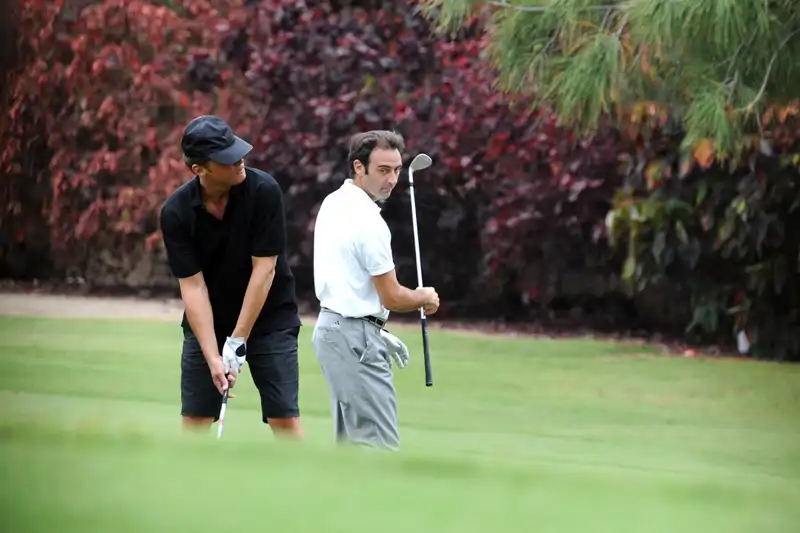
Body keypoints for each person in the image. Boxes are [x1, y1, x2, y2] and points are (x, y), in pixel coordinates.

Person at [159, 115, 303, 438]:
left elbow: (264, 271)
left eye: (237, 151)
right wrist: (213, 356)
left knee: (284, 418)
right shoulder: (176, 213)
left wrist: (237, 342)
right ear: (200, 169)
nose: (240, 160)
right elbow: (193, 288)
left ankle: (307, 487)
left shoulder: (264, 191)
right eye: (227, 158)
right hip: (210, 321)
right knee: (195, 422)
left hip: (270, 317)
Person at [310, 130, 440, 451]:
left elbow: (350, 281)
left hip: (332, 331)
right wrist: (424, 297)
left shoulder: (334, 201)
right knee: (379, 448)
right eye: (383, 170)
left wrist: (375, 329)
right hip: (353, 337)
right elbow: (393, 296)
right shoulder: (369, 222)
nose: (392, 179)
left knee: (353, 448)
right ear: (359, 167)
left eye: (396, 170)